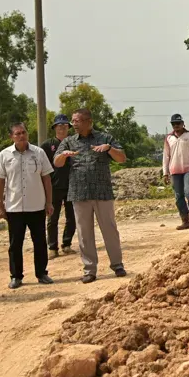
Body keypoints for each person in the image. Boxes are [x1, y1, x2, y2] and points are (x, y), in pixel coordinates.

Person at [53, 108, 127, 283]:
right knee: (84, 233)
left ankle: (117, 265)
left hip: (102, 192)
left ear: (88, 121)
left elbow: (122, 158)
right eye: (73, 121)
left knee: (109, 230)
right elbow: (56, 162)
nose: (74, 124)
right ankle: (89, 270)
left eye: (77, 121)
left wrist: (109, 149)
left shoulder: (105, 138)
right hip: (79, 193)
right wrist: (63, 155)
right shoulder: (69, 141)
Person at [0, 123, 55, 289]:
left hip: (36, 206)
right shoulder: (4, 155)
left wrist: (49, 202)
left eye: (24, 132)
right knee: (15, 244)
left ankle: (42, 273)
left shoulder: (39, 153)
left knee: (40, 242)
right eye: (17, 133)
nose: (21, 136)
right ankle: (16, 276)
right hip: (14, 208)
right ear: (11, 137)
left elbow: (47, 179)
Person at [41, 113, 76, 257]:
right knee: (52, 218)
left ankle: (66, 244)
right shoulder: (47, 145)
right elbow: (42, 168)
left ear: (69, 127)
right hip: (53, 186)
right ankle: (52, 247)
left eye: (65, 125)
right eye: (59, 126)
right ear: (54, 127)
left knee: (72, 217)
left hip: (72, 185)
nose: (62, 128)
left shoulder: (74, 143)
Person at [162, 113, 189, 231]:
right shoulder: (169, 138)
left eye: (178, 123)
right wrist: (165, 172)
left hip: (188, 169)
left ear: (183, 123)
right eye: (174, 124)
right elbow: (166, 156)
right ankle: (185, 221)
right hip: (174, 171)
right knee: (178, 196)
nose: (176, 126)